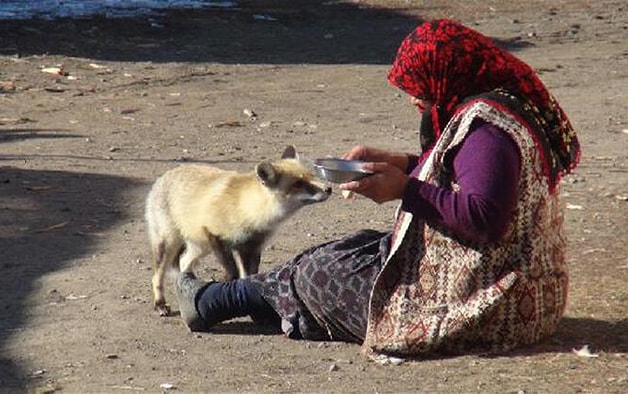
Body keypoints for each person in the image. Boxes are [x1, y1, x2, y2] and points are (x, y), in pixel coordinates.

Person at [175, 19, 581, 357]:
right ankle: (235, 300)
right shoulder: (490, 108)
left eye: (418, 87)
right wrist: (399, 163)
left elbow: (485, 219)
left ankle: (216, 301)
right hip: (512, 286)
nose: (412, 99)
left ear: (446, 74)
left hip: (489, 303)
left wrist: (406, 190)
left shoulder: (487, 130)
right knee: (352, 248)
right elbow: (460, 173)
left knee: (322, 273)